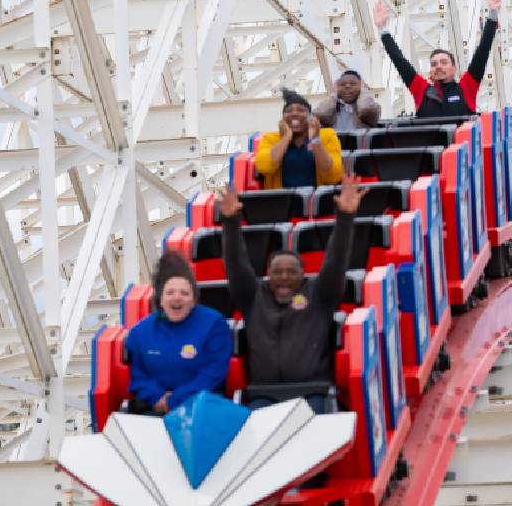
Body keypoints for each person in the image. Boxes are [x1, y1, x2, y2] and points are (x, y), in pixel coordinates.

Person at [220, 173, 368, 414]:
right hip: (263, 395)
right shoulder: (253, 297)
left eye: (291, 272)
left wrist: (345, 216)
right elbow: (236, 264)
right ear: (268, 275)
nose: (284, 277)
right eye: (277, 272)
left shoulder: (320, 295)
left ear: (303, 275)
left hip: (313, 393)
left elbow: (336, 260)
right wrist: (230, 221)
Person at [124, 252, 231, 414]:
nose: (177, 298)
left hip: (202, 409)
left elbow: (213, 373)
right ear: (160, 299)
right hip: (155, 409)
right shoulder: (139, 333)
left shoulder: (214, 324)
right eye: (170, 292)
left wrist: (175, 400)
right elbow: (138, 376)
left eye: (184, 293)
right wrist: (157, 397)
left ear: (194, 299)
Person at [373, 0, 502, 118]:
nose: (438, 66)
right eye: (434, 64)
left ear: (454, 69)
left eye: (444, 62)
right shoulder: (421, 91)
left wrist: (492, 15)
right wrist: (382, 29)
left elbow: (482, 54)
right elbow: (400, 61)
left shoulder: (466, 88)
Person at [254, 88, 342, 189]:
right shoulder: (270, 138)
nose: (294, 113)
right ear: (282, 119)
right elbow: (264, 168)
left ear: (310, 117)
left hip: (316, 198)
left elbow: (333, 176)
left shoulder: (327, 135)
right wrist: (286, 137)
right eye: (288, 111)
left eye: (301, 110)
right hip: (281, 199)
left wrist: (315, 140)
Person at [313, 70, 381, 131]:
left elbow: (366, 109)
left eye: (353, 84)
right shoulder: (332, 107)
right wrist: (334, 95)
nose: (347, 86)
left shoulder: (374, 107)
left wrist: (363, 90)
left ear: (361, 86)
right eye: (342, 84)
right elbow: (317, 116)